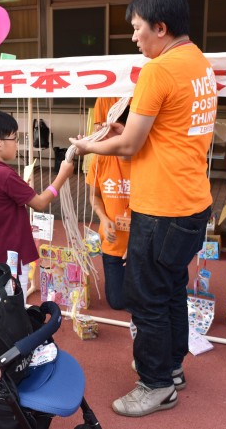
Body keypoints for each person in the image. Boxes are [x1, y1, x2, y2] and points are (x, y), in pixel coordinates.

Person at [71, 0, 215, 417]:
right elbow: (163, 130)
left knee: (147, 297)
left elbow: (131, 145)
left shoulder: (158, 69)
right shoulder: (198, 63)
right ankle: (171, 369)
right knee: (171, 290)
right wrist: (121, 129)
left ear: (161, 28)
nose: (134, 37)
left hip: (162, 207)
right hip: (192, 201)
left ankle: (154, 385)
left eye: (137, 28)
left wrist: (88, 145)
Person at [0, 110, 75, 302]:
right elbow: (40, 203)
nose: (17, 143)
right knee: (14, 301)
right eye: (15, 138)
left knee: (3, 294)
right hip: (13, 253)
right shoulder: (5, 174)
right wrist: (62, 175)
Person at [86, 107, 131, 311]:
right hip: (113, 243)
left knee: (145, 302)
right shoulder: (101, 158)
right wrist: (104, 218)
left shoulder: (148, 160)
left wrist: (139, 243)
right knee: (117, 302)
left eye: (116, 130)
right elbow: (94, 196)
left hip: (143, 246)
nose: (110, 137)